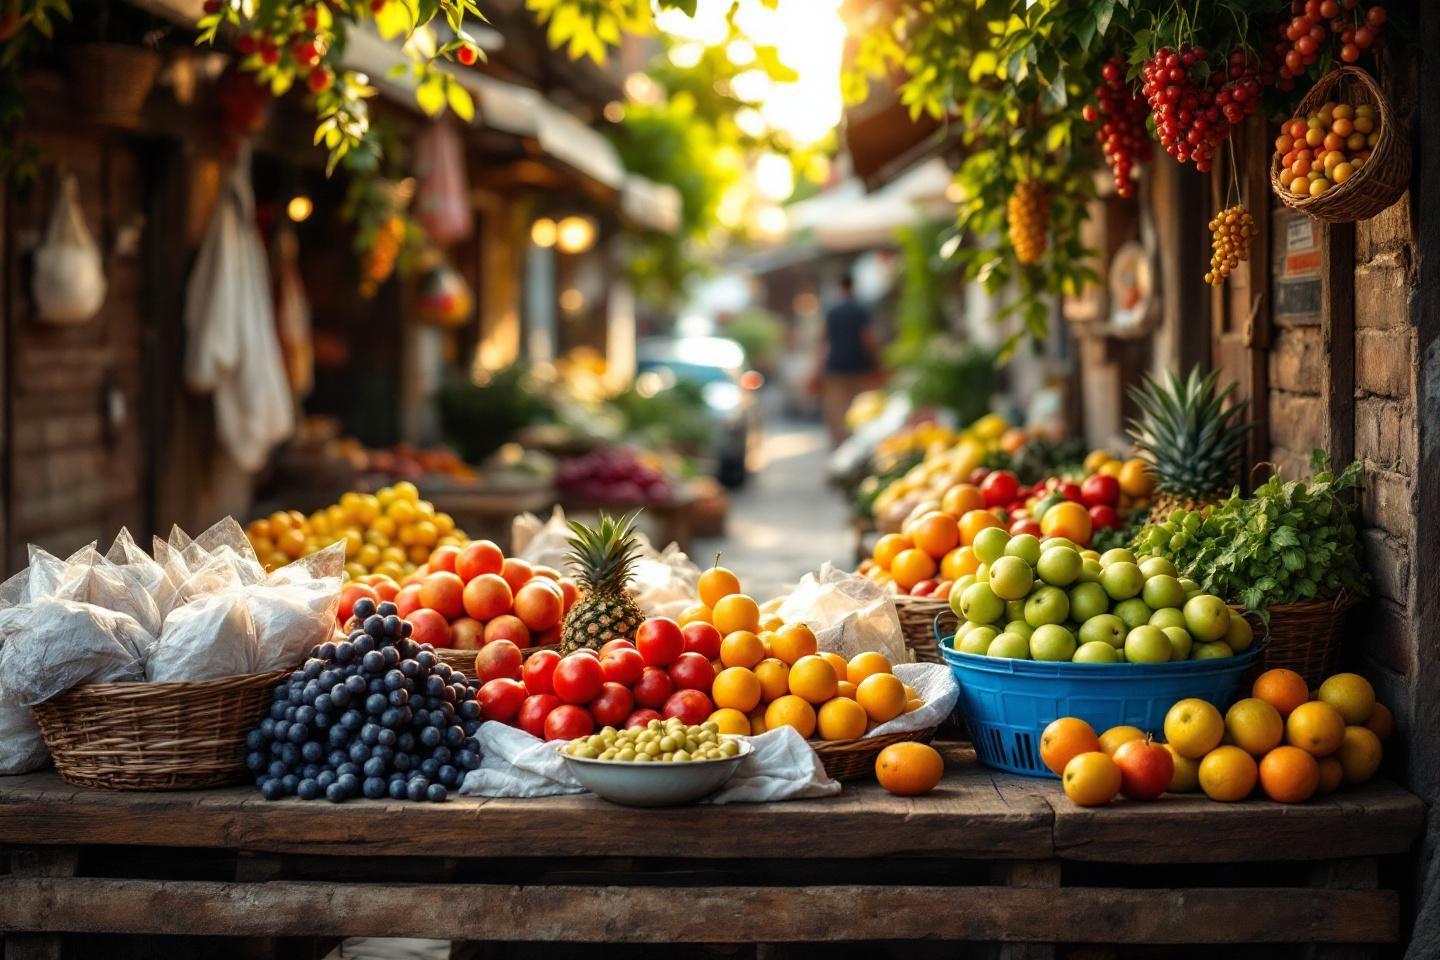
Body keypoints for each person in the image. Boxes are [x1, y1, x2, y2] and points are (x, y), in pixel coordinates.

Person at [814, 274, 877, 447]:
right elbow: (868, 339)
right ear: (853, 287)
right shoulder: (860, 310)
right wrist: (875, 362)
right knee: (859, 406)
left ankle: (839, 444)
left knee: (836, 408)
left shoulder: (832, 311)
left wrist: (818, 367)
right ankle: (856, 442)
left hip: (836, 366)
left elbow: (823, 341)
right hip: (858, 365)